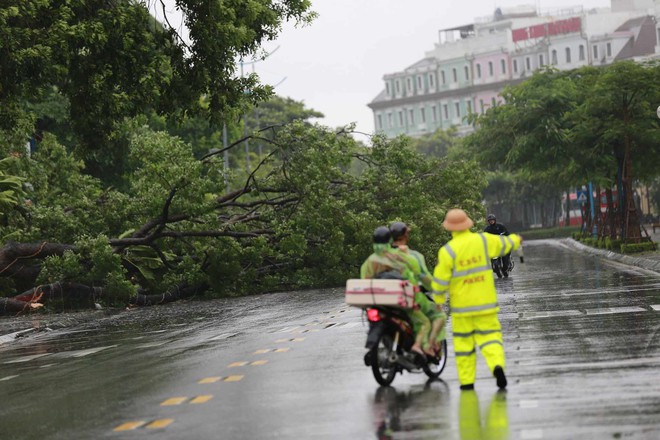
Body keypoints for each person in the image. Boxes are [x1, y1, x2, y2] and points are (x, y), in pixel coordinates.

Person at [431, 209, 523, 390]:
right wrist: (517, 240)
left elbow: (440, 281)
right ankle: (497, 366)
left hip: (461, 310)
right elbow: (504, 244)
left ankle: (466, 382)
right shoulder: (482, 240)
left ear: (449, 228)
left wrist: (438, 301)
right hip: (486, 306)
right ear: (468, 224)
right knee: (491, 340)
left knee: (464, 345)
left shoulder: (447, 251)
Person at [361, 226, 434, 356]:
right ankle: (417, 347)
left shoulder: (369, 261)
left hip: (378, 303)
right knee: (424, 322)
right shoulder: (399, 256)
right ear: (390, 241)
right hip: (400, 302)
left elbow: (364, 281)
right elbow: (416, 272)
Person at [389, 221, 447, 355]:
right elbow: (425, 278)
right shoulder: (413, 256)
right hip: (409, 297)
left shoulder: (381, 255)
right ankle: (428, 345)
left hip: (386, 299)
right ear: (405, 235)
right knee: (437, 316)